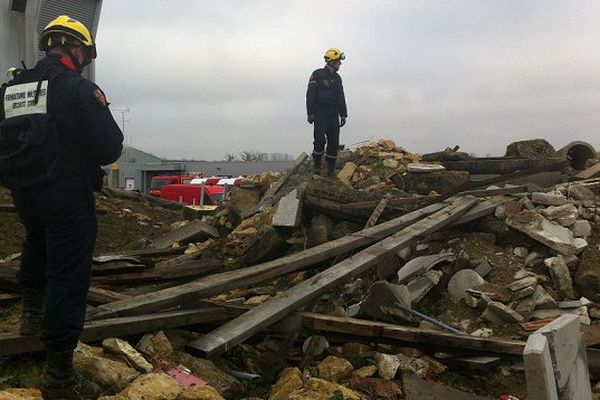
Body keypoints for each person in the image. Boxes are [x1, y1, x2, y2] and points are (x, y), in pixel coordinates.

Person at [0, 15, 123, 399]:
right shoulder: (79, 90)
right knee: (68, 277)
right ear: (77, 49)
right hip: (68, 196)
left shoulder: (12, 88)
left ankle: (31, 320)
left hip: (25, 193)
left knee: (36, 245)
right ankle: (59, 377)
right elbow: (109, 148)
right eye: (84, 52)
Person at [306, 47, 348, 176]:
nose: (340, 64)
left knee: (333, 141)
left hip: (333, 113)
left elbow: (341, 96)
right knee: (319, 139)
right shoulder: (317, 74)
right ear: (331, 61)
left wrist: (343, 114)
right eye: (338, 61)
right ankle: (317, 166)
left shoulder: (338, 78)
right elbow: (310, 94)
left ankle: (330, 170)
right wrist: (310, 113)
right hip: (320, 112)